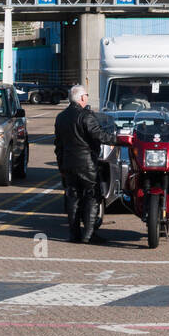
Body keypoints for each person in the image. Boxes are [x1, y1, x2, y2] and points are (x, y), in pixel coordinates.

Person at [54, 85, 117, 241]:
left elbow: (58, 145)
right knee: (92, 196)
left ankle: (74, 234)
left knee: (72, 196)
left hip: (68, 163)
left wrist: (61, 165)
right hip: (86, 163)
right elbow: (99, 135)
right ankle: (88, 235)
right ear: (82, 98)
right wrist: (118, 139)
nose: (87, 98)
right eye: (86, 95)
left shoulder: (61, 117)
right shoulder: (85, 116)